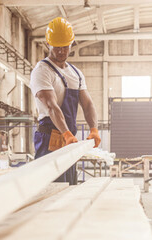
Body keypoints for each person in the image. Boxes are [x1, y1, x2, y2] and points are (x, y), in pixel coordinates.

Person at [30, 17, 100, 185]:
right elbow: (51, 106)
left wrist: (94, 129)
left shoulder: (76, 73)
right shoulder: (42, 71)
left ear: (71, 44)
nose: (61, 51)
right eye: (57, 47)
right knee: (49, 188)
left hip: (68, 140)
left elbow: (88, 104)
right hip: (50, 139)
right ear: (48, 44)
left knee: (68, 186)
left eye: (65, 46)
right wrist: (66, 134)